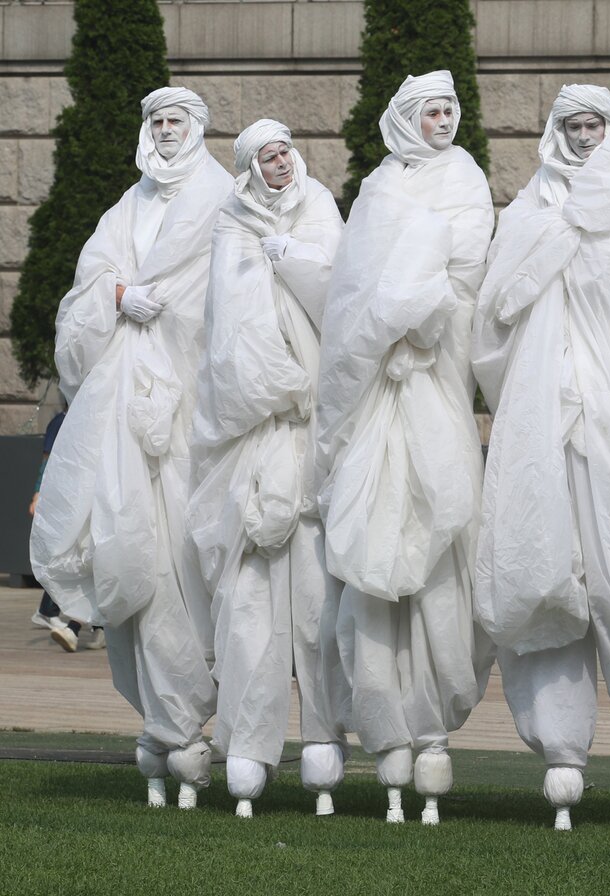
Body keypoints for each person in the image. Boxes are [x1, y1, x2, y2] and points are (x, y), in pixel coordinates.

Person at [474, 84, 610, 831]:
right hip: (541, 412)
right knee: (546, 561)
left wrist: (570, 251)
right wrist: (552, 242)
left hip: (607, 406)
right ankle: (560, 740)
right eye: (572, 126)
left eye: (594, 124)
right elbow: (496, 305)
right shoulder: (532, 205)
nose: (584, 136)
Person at [29, 87, 231, 809]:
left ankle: (195, 709)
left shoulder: (221, 198)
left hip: (189, 409)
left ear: (199, 129)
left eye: (177, 122)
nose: (168, 132)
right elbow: (87, 286)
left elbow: (234, 294)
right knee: (132, 551)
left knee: (189, 559)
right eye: (157, 123)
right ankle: (163, 715)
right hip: (123, 409)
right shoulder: (127, 206)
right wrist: (118, 295)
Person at [315, 71, 495, 825]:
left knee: (437, 544)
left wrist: (413, 307)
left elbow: (464, 275)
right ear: (405, 118)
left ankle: (432, 711)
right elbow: (353, 293)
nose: (444, 120)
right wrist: (387, 315)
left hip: (432, 375)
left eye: (452, 109)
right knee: (374, 543)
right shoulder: (379, 191)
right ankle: (382, 714)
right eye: (432, 109)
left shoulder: (468, 182)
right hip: (377, 393)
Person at [187, 119, 349, 818]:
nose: (279, 164)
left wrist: (297, 261)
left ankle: (323, 737)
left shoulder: (321, 207)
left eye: (284, 152)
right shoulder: (231, 222)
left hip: (311, 424)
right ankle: (248, 746)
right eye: (265, 157)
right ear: (249, 168)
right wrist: (272, 380)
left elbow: (344, 299)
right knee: (250, 602)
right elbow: (229, 319)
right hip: (255, 432)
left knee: (316, 597)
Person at [30, 404, 103, 652]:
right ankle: (70, 622)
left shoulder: (94, 414)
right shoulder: (62, 421)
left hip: (92, 499)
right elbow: (49, 461)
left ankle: (82, 626)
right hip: (78, 500)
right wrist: (38, 492)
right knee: (76, 558)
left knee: (86, 559)